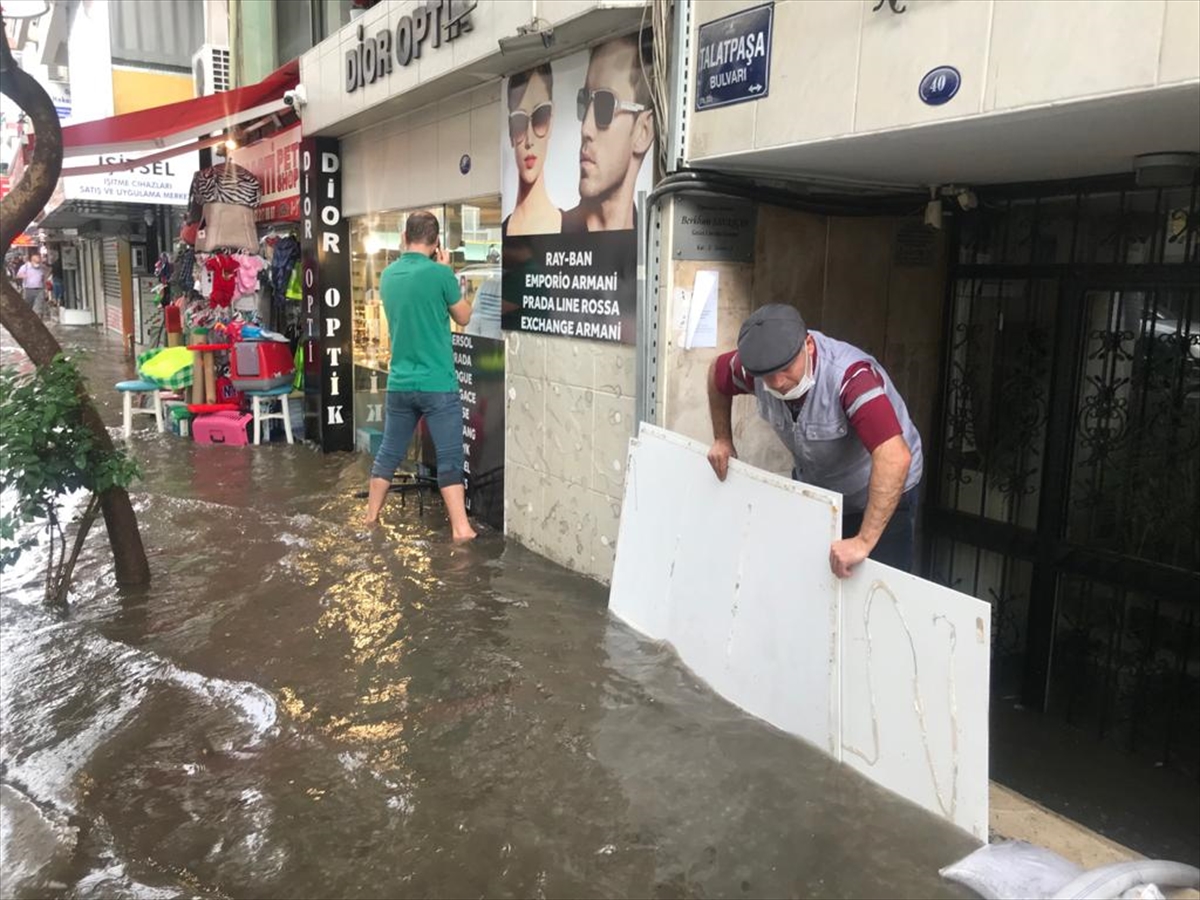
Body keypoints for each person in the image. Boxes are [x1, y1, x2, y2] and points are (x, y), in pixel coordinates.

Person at [706, 304, 924, 579]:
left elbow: (895, 457)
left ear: (808, 345)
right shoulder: (757, 368)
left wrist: (863, 541)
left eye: (785, 368)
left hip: (881, 492)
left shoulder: (851, 377)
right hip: (819, 490)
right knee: (812, 582)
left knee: (876, 590)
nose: (777, 382)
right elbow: (717, 374)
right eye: (767, 375)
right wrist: (722, 438)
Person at [364, 211, 477, 541]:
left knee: (389, 451)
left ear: (403, 236)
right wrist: (448, 273)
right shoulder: (440, 275)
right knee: (449, 457)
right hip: (437, 384)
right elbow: (465, 316)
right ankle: (461, 528)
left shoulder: (387, 275)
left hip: (400, 382)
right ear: (437, 241)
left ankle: (370, 518)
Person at [561, 33, 654, 233]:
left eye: (605, 104)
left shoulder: (653, 245)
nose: (586, 128)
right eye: (585, 101)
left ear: (643, 131)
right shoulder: (552, 232)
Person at [503, 64, 562, 236]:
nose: (529, 140)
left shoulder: (576, 226)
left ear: (551, 121)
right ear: (510, 131)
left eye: (540, 117)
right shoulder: (504, 230)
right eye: (519, 122)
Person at [17, 252, 49, 318]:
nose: (37, 263)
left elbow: (46, 273)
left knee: (39, 307)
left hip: (39, 289)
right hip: (28, 289)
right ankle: (27, 319)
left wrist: (45, 288)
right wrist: (25, 275)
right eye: (36, 261)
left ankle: (39, 319)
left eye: (39, 261)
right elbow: (18, 275)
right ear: (32, 260)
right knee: (28, 306)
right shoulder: (25, 267)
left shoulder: (42, 267)